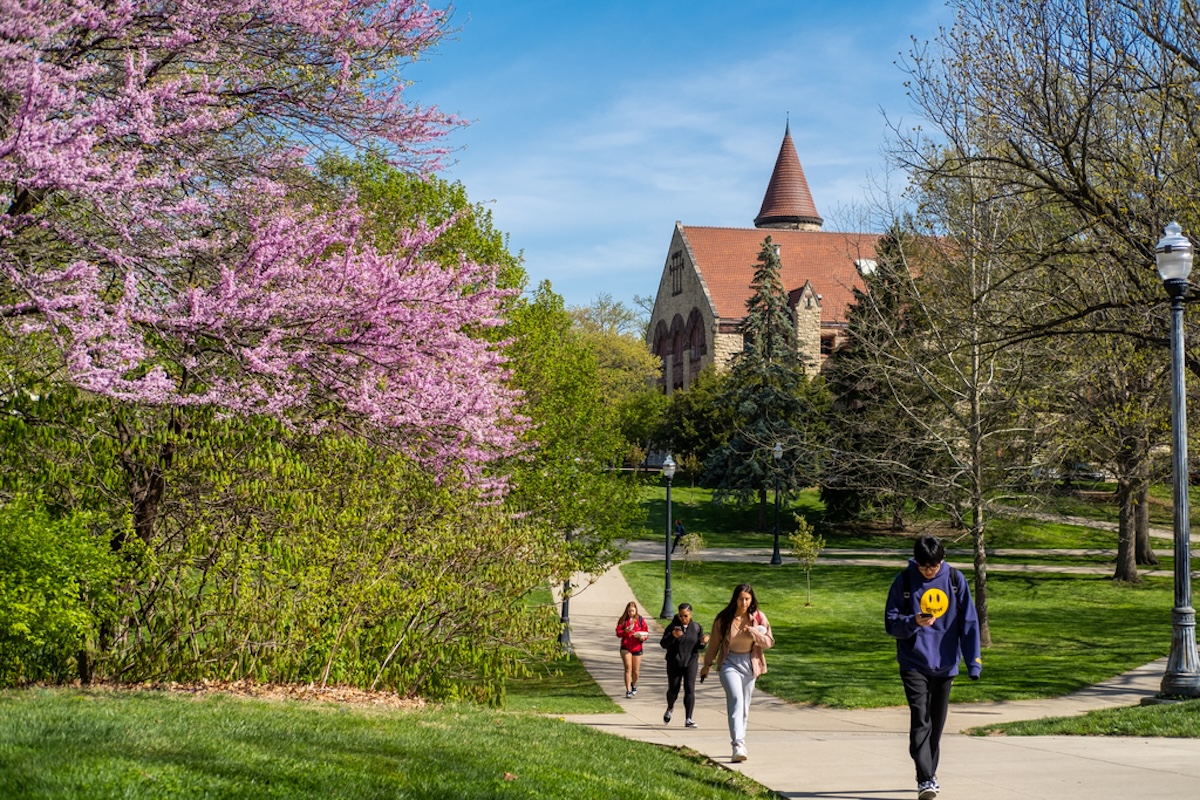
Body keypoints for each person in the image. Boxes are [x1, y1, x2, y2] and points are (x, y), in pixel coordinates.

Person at [885, 535, 982, 800]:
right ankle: (925, 778)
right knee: (921, 719)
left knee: (936, 726)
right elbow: (891, 624)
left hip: (946, 663)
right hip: (913, 662)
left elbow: (970, 623)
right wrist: (913, 621)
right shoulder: (903, 581)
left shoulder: (955, 580)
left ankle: (930, 776)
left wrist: (974, 662)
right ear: (915, 561)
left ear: (943, 559)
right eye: (924, 566)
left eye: (934, 566)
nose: (929, 571)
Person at [700, 583, 774, 763]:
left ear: (752, 600)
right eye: (741, 598)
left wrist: (754, 633)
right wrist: (707, 665)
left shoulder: (758, 618)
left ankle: (741, 742)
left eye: (747, 599)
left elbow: (769, 642)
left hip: (750, 664)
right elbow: (714, 644)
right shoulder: (724, 619)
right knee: (736, 701)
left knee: (745, 707)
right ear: (735, 599)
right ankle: (737, 745)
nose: (744, 602)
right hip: (729, 663)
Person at [659, 602, 709, 727]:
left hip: (690, 662)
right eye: (681, 616)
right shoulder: (672, 627)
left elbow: (697, 646)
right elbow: (663, 644)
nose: (683, 619)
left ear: (690, 614)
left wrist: (703, 642)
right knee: (673, 690)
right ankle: (670, 708)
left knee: (690, 689)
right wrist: (673, 637)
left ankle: (688, 718)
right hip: (674, 663)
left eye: (685, 616)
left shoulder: (696, 627)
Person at [615, 601, 650, 699]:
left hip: (637, 647)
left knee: (636, 671)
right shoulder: (623, 620)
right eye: (629, 611)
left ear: (636, 611)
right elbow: (618, 633)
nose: (631, 613)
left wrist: (642, 637)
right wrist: (625, 631)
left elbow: (645, 632)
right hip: (626, 647)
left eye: (633, 611)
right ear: (627, 610)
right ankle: (628, 690)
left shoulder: (640, 620)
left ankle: (634, 684)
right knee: (628, 668)